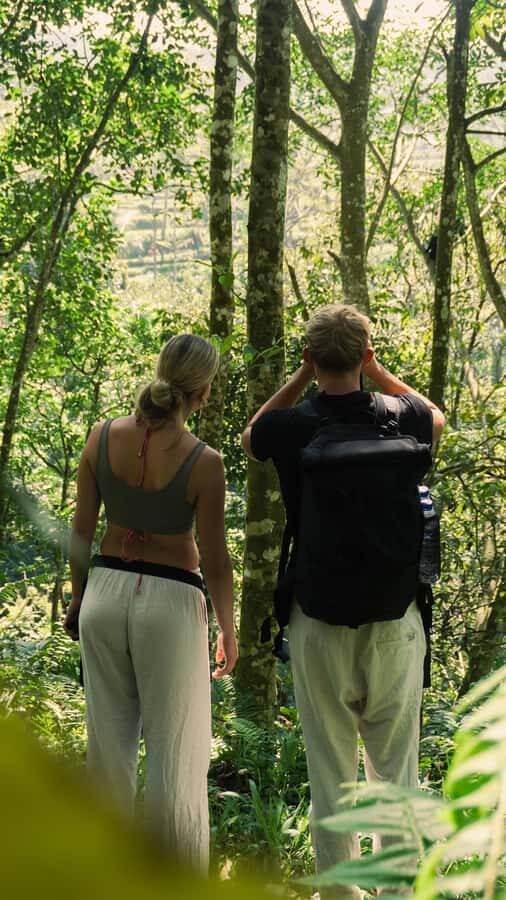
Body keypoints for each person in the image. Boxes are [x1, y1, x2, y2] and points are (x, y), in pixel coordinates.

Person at [241, 304, 445, 899]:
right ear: (365, 355)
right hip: (394, 619)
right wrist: (376, 373)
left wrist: (301, 378)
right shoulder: (401, 419)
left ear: (310, 358)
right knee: (395, 777)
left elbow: (251, 434)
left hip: (316, 620)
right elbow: (437, 416)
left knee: (332, 775)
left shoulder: (295, 426)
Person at [64, 333, 238, 871]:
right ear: (203, 391)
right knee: (177, 758)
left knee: (107, 753)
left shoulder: (100, 438)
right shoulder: (205, 462)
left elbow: (80, 532)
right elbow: (214, 558)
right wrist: (227, 628)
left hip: (105, 591)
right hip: (171, 602)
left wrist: (78, 597)